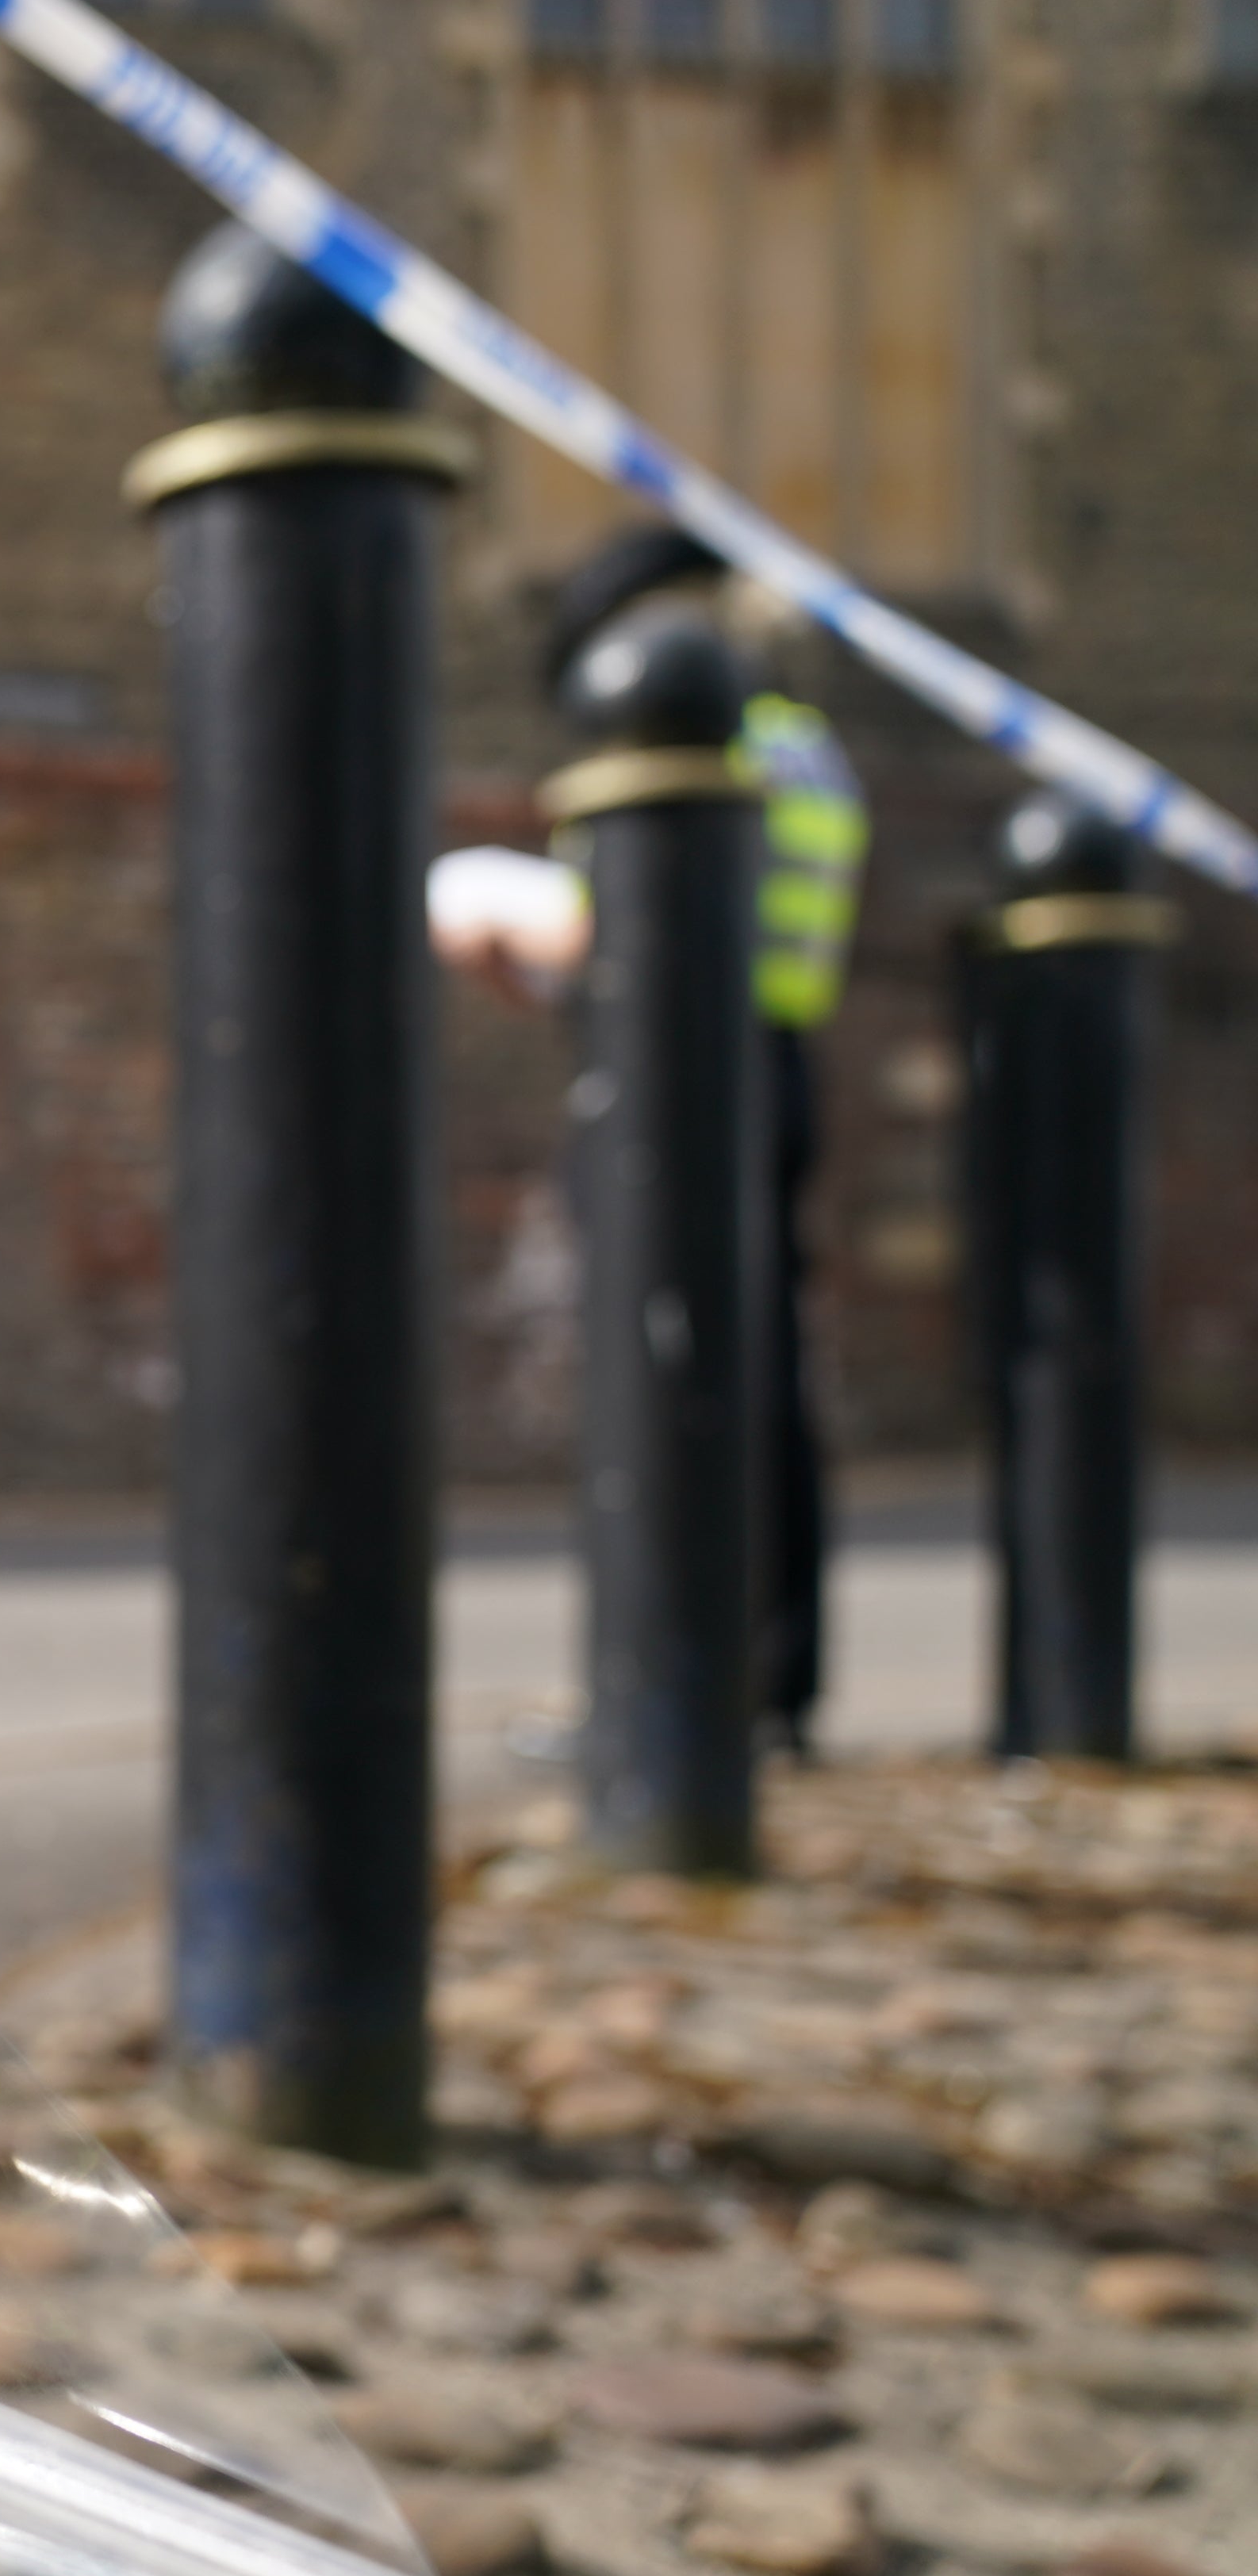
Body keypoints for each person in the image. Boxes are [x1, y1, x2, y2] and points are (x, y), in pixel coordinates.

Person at [425, 525, 870, 1758]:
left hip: (695, 1073)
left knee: (671, 1375)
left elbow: (647, 920)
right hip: (762, 1065)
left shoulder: (720, 742)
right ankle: (752, 1687)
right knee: (748, 1378)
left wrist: (490, 905)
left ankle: (671, 1698)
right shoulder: (809, 749)